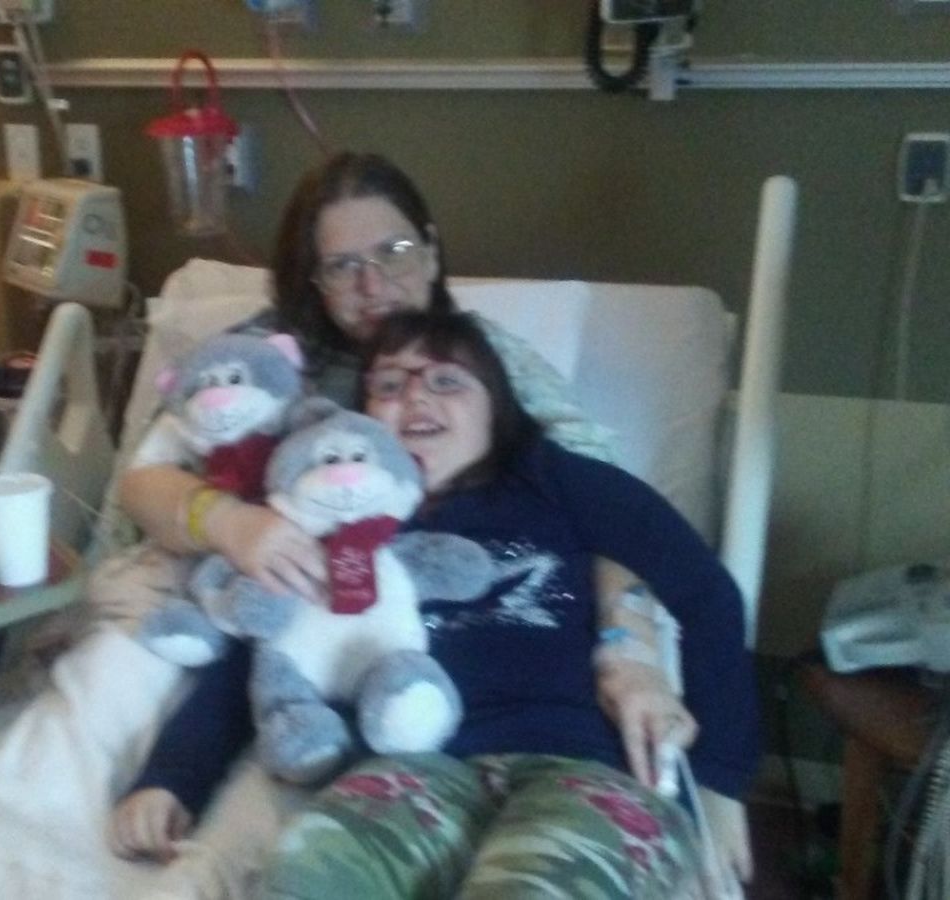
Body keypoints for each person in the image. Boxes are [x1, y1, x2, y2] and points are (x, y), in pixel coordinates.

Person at [110, 310, 758, 898]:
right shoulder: (335, 524)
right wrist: (172, 777)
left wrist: (719, 780)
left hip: (580, 763)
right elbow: (265, 657)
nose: (416, 396)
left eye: (447, 381)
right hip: (413, 773)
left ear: (496, 407)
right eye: (389, 385)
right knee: (307, 876)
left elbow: (707, 596)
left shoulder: (555, 481)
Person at [116, 151, 687, 787]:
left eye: (394, 251)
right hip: (236, 591)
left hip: (407, 633)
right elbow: (140, 483)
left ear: (432, 252)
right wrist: (231, 524)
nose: (373, 284)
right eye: (342, 266)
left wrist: (629, 648)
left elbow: (606, 515)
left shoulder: (480, 359)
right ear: (313, 280)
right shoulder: (263, 353)